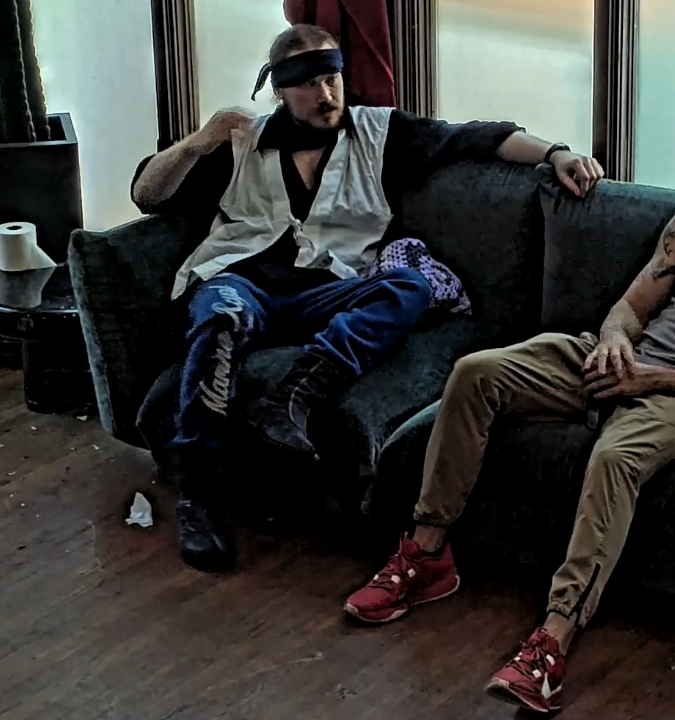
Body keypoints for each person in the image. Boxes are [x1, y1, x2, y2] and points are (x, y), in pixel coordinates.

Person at [344, 98, 675, 713]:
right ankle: (428, 552)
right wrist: (614, 342)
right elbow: (630, 307)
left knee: (613, 460)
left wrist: (652, 379)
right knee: (476, 373)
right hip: (620, 361)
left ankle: (554, 638)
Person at [129, 24, 604, 574]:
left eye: (331, 78)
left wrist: (557, 153)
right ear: (280, 90)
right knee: (220, 319)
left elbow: (478, 137)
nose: (326, 94)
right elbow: (147, 194)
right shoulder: (241, 143)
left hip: (326, 294)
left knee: (409, 286)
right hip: (240, 285)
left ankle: (293, 398)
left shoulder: (379, 132)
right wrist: (200, 139)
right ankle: (199, 498)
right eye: (308, 84)